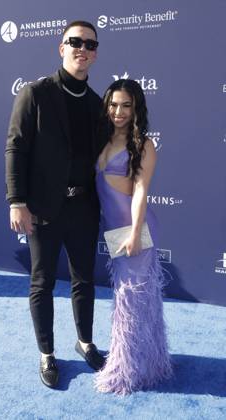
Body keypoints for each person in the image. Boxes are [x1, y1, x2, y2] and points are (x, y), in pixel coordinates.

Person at [5, 20, 105, 388]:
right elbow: (15, 147)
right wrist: (17, 200)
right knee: (42, 282)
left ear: (96, 53)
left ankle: (85, 342)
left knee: (84, 281)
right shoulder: (35, 94)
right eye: (75, 42)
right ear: (61, 47)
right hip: (43, 208)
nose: (83, 48)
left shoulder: (98, 105)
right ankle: (47, 353)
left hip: (83, 208)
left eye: (90, 44)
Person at [94, 79, 172, 395]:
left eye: (126, 105)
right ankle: (151, 363)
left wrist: (136, 234)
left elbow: (140, 191)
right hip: (115, 230)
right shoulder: (101, 140)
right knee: (140, 301)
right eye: (114, 104)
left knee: (129, 303)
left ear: (136, 107)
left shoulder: (143, 145)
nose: (119, 111)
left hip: (134, 231)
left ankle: (124, 371)